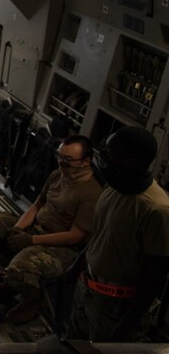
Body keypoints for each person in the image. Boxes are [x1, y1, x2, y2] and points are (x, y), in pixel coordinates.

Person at [0, 135, 102, 325]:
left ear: (86, 161)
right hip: (35, 230)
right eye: (60, 157)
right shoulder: (57, 176)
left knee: (19, 268)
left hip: (62, 248)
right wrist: (17, 230)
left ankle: (32, 299)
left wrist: (31, 241)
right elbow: (37, 205)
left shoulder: (92, 193)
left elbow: (76, 235)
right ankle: (13, 280)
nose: (62, 163)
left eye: (68, 160)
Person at [67, 126, 169, 341]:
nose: (103, 156)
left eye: (110, 152)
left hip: (115, 305)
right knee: (73, 350)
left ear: (130, 160)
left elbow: (155, 276)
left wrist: (126, 326)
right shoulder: (114, 187)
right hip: (86, 286)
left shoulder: (157, 209)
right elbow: (101, 234)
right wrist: (76, 268)